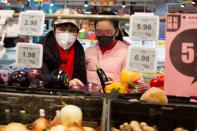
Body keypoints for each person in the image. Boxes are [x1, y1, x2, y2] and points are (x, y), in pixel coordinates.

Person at [40, 8, 87, 87]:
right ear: (54, 30)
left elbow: (82, 77)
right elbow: (40, 77)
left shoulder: (79, 50)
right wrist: (66, 84)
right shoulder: (43, 47)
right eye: (62, 29)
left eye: (72, 30)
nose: (67, 33)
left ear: (77, 32)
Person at [85, 11, 129, 85]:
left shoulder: (126, 53)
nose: (103, 35)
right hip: (91, 96)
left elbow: (131, 82)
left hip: (115, 95)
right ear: (94, 31)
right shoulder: (89, 51)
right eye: (99, 32)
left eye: (108, 32)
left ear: (117, 32)